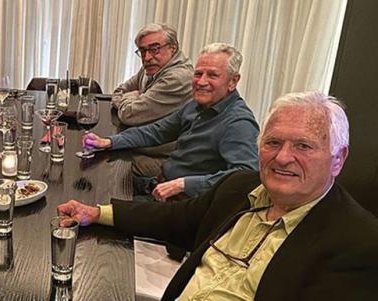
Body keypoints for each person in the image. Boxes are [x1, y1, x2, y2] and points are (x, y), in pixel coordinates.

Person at [59, 91, 378, 300]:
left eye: (303, 146)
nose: (282, 158)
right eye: (273, 143)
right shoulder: (241, 187)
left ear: (338, 158)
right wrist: (97, 213)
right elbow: (175, 218)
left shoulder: (359, 242)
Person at [84, 43, 258, 201]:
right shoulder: (197, 104)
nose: (201, 81)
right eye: (198, 74)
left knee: (98, 206)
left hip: (181, 203)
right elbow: (157, 131)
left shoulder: (238, 122)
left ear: (233, 81)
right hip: (158, 184)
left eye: (212, 75)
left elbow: (245, 176)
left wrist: (184, 184)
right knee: (93, 183)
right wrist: (109, 142)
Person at [111, 23, 194, 177]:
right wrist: (133, 97)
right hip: (139, 142)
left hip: (162, 157)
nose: (147, 57)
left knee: (111, 167)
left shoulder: (178, 78)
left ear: (173, 48)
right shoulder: (152, 65)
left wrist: (135, 98)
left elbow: (129, 114)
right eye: (142, 51)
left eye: (155, 49)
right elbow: (118, 92)